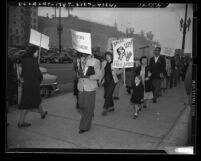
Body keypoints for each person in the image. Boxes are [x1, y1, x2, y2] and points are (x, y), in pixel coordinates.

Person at [18, 45, 47, 128]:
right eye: (37, 51)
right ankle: (21, 122)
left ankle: (42, 113)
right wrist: (40, 78)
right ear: (34, 52)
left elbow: (22, 73)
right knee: (27, 103)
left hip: (27, 84)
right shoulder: (34, 60)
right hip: (33, 85)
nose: (38, 53)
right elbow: (38, 73)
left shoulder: (23, 60)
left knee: (37, 99)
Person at [77, 52, 101, 134]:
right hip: (81, 87)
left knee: (87, 108)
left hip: (90, 87)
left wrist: (88, 77)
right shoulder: (80, 60)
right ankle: (90, 112)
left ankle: (84, 127)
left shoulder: (95, 61)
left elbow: (98, 76)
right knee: (81, 105)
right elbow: (78, 73)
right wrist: (79, 74)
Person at [100, 52, 123, 116]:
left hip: (113, 80)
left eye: (109, 56)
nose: (107, 57)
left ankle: (105, 108)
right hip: (106, 80)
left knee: (108, 94)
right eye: (106, 56)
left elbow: (118, 72)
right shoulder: (103, 62)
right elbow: (102, 72)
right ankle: (112, 107)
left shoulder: (115, 63)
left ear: (111, 56)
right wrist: (100, 80)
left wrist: (122, 69)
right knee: (106, 95)